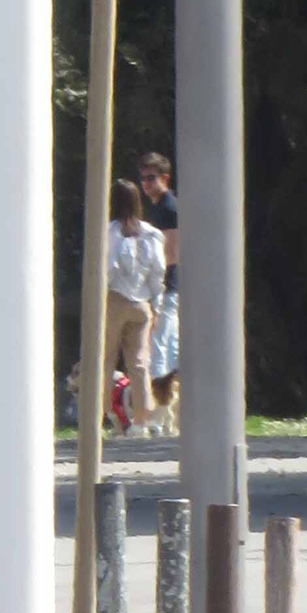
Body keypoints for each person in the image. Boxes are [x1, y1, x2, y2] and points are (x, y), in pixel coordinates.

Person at [103, 180, 163, 435]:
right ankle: (142, 419)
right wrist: (156, 305)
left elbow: (107, 269)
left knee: (105, 359)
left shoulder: (110, 232)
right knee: (139, 363)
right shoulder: (151, 233)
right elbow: (158, 272)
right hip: (142, 303)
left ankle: (107, 413)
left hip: (114, 300)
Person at [138, 150, 179, 420]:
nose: (146, 184)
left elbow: (172, 251)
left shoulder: (168, 207)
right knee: (168, 345)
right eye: (143, 179)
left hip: (167, 285)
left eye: (152, 178)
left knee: (161, 346)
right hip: (166, 285)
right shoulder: (159, 207)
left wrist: (154, 281)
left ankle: (160, 411)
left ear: (165, 177)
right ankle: (170, 410)